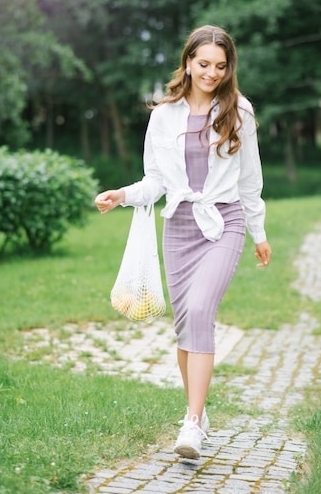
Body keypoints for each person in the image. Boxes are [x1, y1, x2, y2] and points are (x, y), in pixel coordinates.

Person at [95, 25, 272, 460]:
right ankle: (199, 407)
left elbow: (250, 182)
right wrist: (122, 195)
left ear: (229, 68)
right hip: (179, 227)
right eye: (203, 63)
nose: (211, 72)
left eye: (220, 65)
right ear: (188, 62)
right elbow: (155, 180)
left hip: (224, 222)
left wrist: (259, 234)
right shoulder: (163, 115)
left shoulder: (239, 112)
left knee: (199, 311)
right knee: (185, 326)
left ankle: (191, 424)